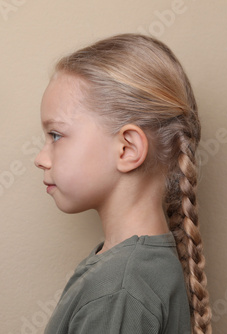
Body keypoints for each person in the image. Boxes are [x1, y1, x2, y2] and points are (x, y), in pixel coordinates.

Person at [34, 33, 212, 334]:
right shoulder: (133, 270)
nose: (40, 158)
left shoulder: (119, 291)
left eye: (55, 136)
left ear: (127, 149)